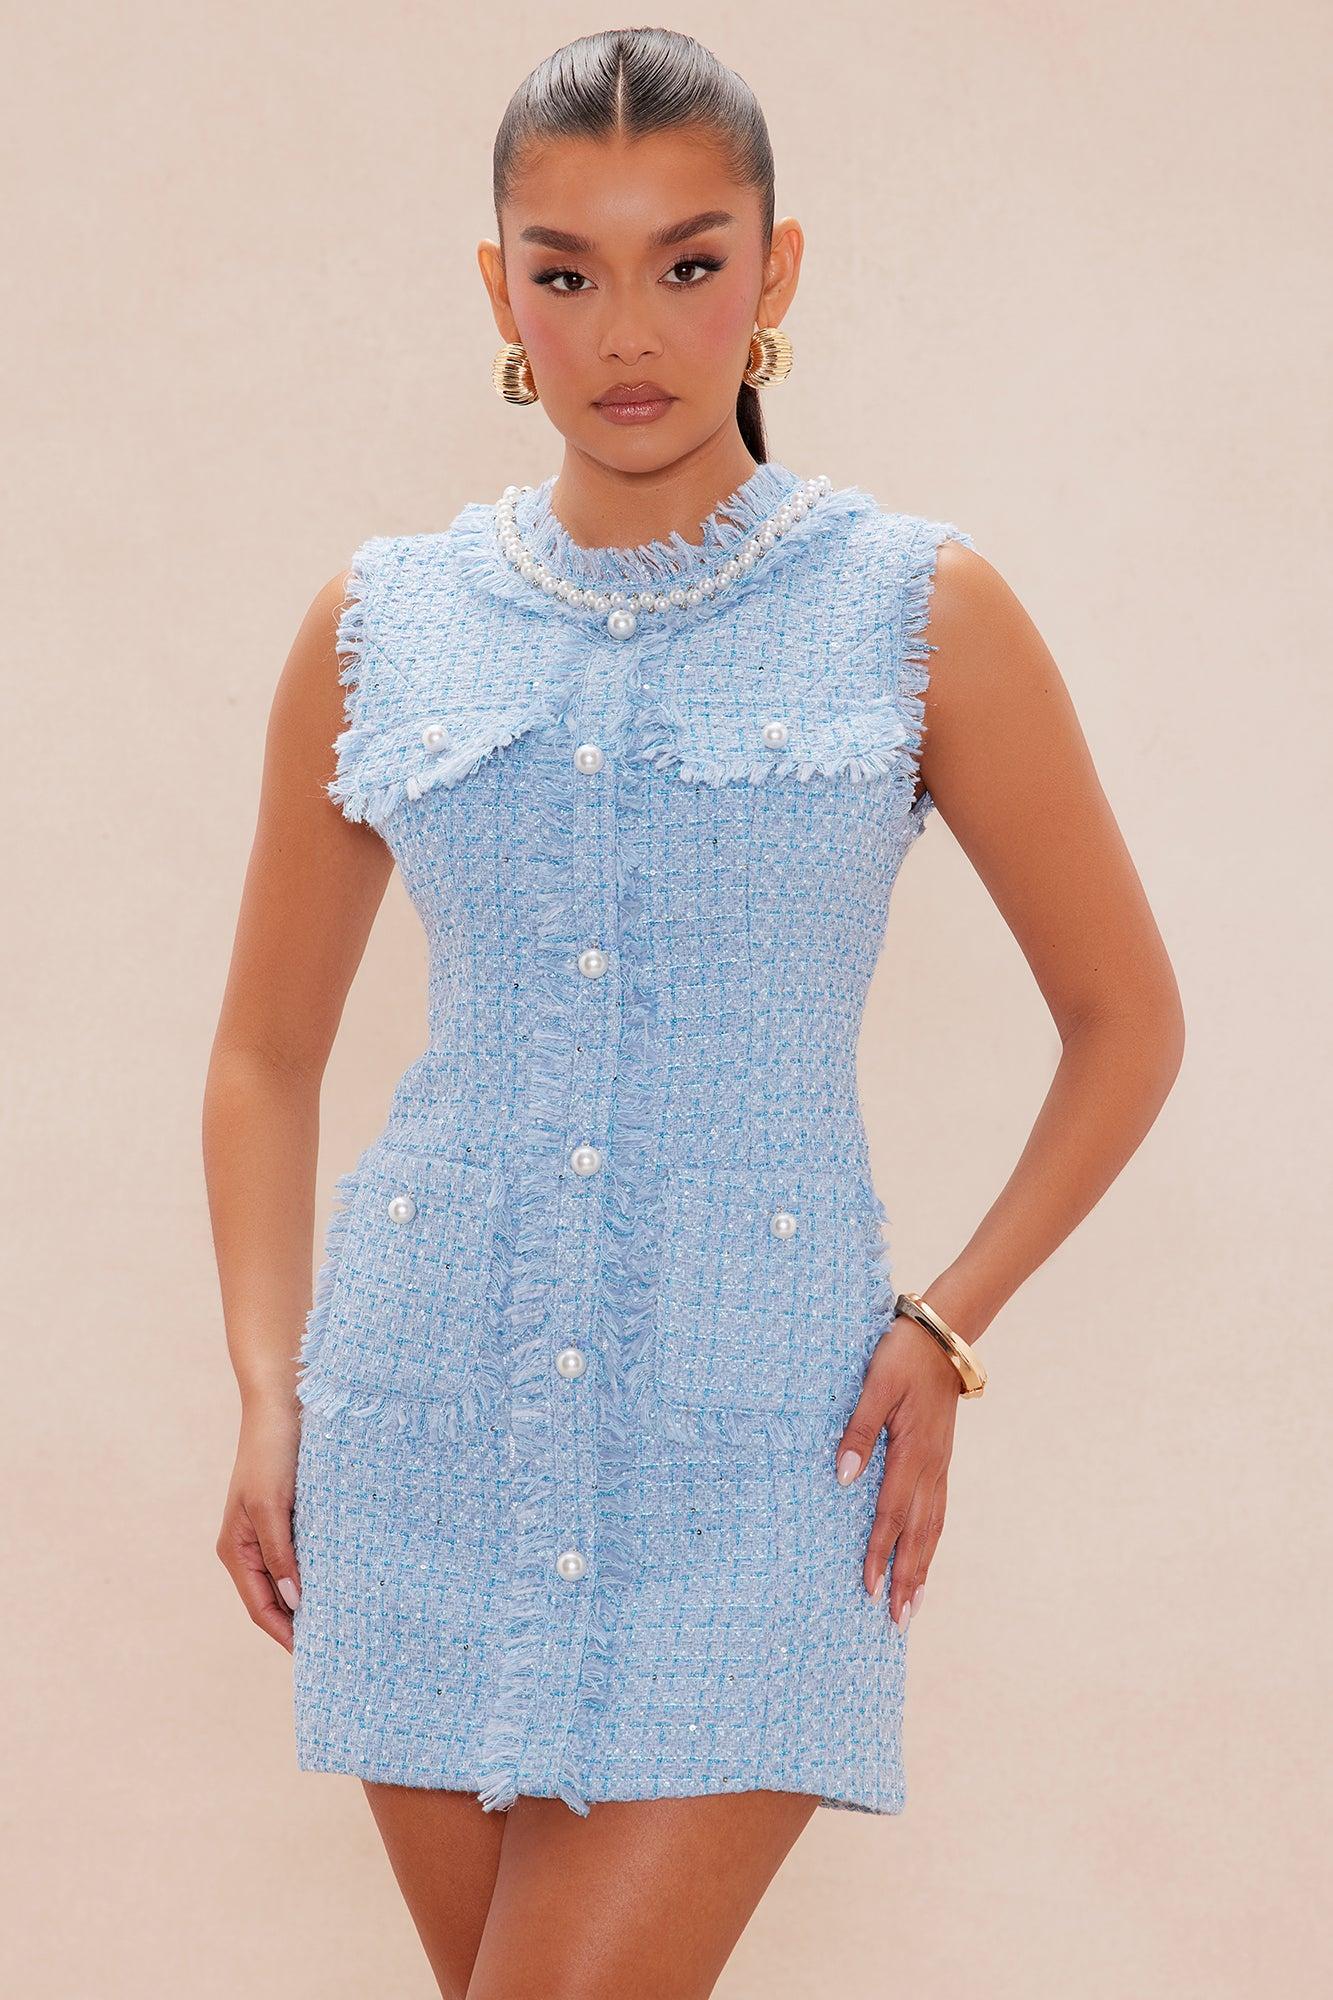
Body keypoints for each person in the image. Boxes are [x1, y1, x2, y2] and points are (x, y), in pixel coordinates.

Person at [203, 25, 1184, 2000]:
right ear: (499, 292)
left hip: (761, 1453)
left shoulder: (919, 610)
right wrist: (264, 1391)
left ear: (776, 269)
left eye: (688, 261)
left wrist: (945, 1325)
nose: (627, 332)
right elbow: (263, 1053)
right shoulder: (380, 623)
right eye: (565, 271)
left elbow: (1123, 1021)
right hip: (422, 1427)